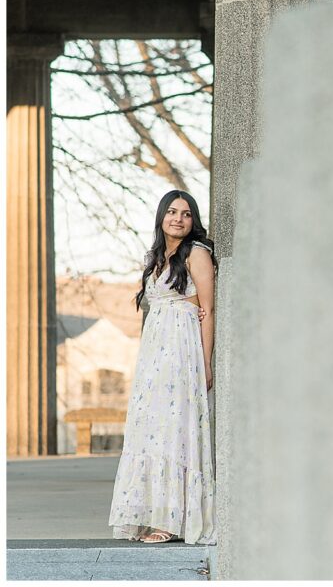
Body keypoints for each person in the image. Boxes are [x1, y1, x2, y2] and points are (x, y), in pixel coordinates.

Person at [108, 190, 217, 545]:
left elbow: (208, 312)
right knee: (149, 429)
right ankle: (149, 511)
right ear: (161, 217)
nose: (178, 219)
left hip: (182, 354)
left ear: (193, 220)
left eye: (186, 214)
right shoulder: (155, 258)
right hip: (154, 356)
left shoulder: (197, 254)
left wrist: (205, 363)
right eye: (172, 212)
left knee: (174, 431)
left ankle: (171, 520)